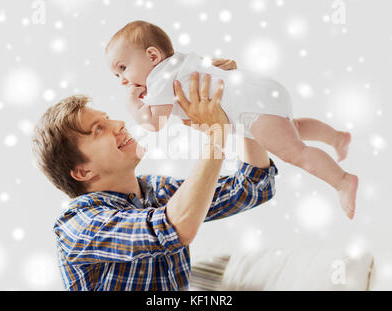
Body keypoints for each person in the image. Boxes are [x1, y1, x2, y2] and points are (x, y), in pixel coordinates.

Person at [32, 72, 278, 290]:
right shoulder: (78, 225)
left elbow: (251, 188)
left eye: (108, 119)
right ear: (82, 172)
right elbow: (174, 228)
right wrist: (216, 135)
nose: (118, 124)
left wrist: (239, 109)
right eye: (98, 129)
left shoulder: (156, 190)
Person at [105, 20, 358, 219]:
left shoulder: (158, 78)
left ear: (152, 56)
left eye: (123, 68)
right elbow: (215, 66)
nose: (122, 80)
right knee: (293, 128)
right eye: (116, 76)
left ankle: (343, 181)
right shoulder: (179, 62)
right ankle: (336, 137)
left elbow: (155, 124)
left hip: (250, 109)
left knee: (295, 152)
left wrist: (133, 104)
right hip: (260, 92)